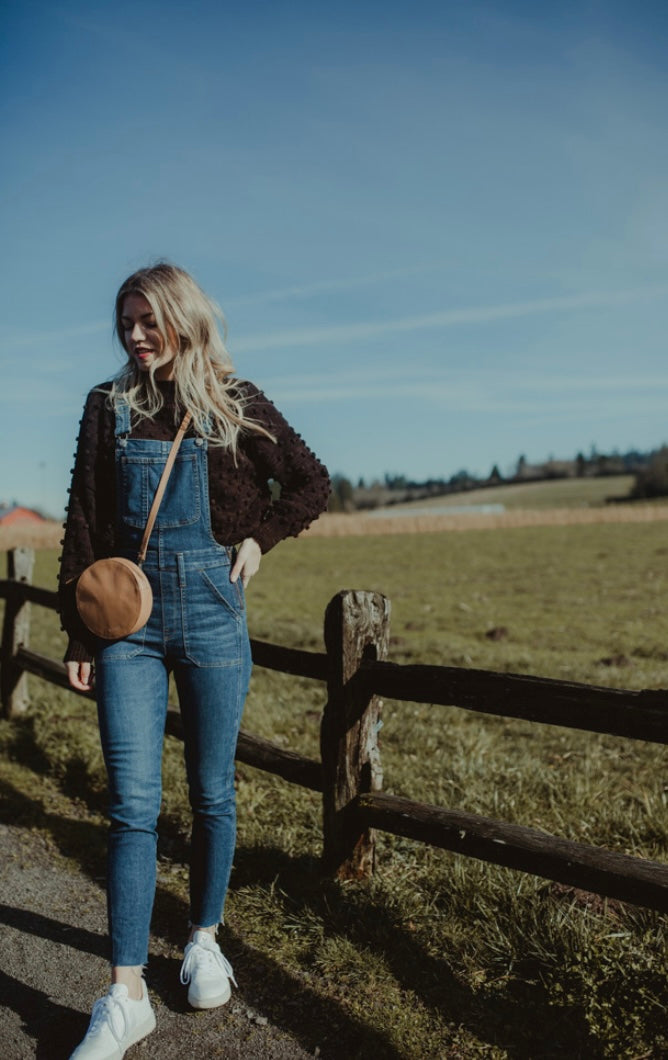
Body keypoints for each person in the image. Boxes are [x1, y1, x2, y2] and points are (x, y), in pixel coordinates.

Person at [59, 263, 330, 1059]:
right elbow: (82, 520)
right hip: (127, 627)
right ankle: (126, 992)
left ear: (182, 318)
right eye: (126, 322)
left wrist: (259, 538)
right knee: (132, 803)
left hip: (213, 611)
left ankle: (205, 938)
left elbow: (309, 483)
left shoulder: (235, 403)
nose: (136, 335)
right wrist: (80, 636)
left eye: (149, 320)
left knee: (213, 790)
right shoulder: (105, 408)